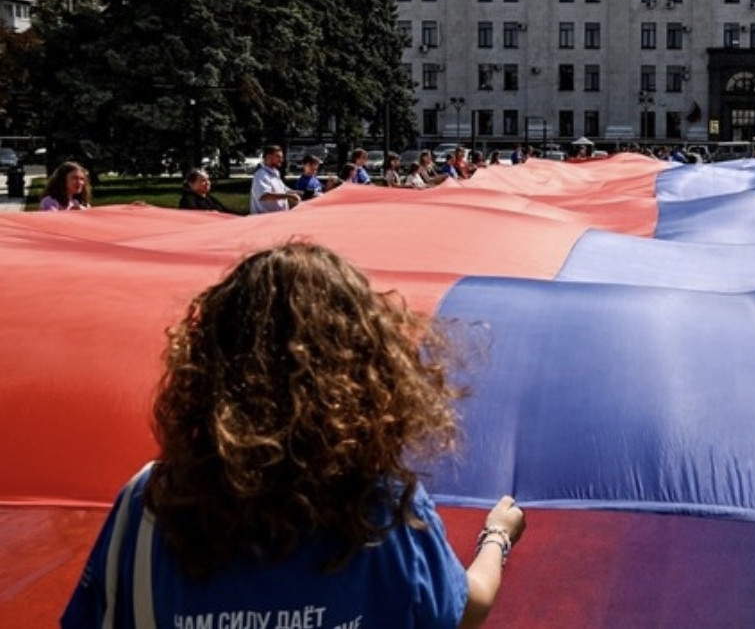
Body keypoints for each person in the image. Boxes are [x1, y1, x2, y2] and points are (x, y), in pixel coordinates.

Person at [60, 242, 525, 629]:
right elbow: (467, 608)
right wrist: (497, 537)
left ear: (210, 362)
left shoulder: (149, 503)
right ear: (363, 366)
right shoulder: (383, 508)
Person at [249, 145, 301, 214]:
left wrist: (304, 193)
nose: (281, 160)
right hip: (265, 218)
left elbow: (285, 191)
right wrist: (289, 196)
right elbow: (264, 196)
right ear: (268, 157)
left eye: (282, 157)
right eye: (278, 157)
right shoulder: (261, 174)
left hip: (278, 217)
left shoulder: (275, 173)